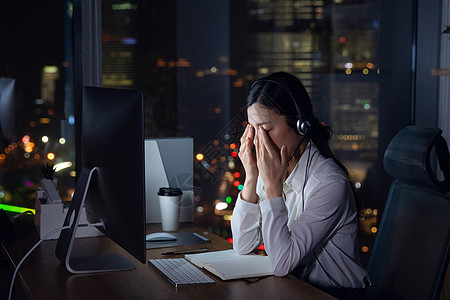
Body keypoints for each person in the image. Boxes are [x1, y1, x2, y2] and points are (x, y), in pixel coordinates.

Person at [231, 72, 370, 299]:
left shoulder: (330, 184)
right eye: (253, 130)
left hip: (335, 294)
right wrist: (251, 178)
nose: (258, 141)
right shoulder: (271, 170)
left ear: (300, 125)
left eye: (266, 130)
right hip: (295, 289)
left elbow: (282, 263)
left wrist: (272, 188)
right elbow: (243, 245)